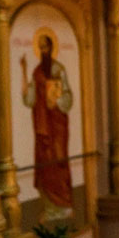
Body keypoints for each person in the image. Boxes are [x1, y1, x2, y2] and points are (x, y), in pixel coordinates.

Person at [21, 33, 74, 220]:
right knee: (45, 165)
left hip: (57, 125)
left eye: (46, 47)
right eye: (41, 48)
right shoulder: (36, 72)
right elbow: (30, 100)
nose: (43, 51)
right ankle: (51, 208)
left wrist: (57, 99)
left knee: (58, 160)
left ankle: (64, 204)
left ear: (51, 48)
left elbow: (67, 96)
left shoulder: (59, 69)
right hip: (42, 126)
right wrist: (23, 73)